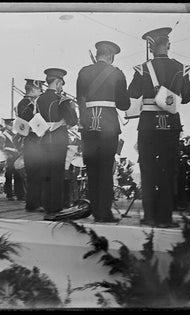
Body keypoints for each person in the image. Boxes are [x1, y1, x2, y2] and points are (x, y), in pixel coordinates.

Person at [128, 27, 190, 228]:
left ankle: (149, 216)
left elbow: (132, 92)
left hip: (147, 125)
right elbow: (188, 97)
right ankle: (165, 218)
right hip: (171, 125)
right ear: (168, 45)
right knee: (168, 170)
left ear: (150, 46)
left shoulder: (142, 68)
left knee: (147, 170)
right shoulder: (181, 67)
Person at [76, 41, 130, 223]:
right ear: (111, 56)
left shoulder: (83, 72)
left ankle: (95, 209)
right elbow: (124, 104)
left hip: (88, 124)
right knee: (106, 169)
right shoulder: (117, 73)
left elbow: (79, 100)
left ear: (98, 54)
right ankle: (104, 213)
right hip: (108, 124)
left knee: (91, 169)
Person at [37, 68, 78, 220]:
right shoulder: (63, 100)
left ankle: (47, 207)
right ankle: (55, 208)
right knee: (57, 174)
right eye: (61, 83)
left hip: (43, 141)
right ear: (58, 82)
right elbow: (74, 121)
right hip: (58, 141)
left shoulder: (39, 100)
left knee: (46, 174)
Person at [16, 79, 45, 212]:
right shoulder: (25, 104)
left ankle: (34, 202)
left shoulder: (28, 103)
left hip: (34, 141)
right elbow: (31, 123)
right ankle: (33, 203)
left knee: (37, 173)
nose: (41, 92)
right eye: (39, 89)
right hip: (32, 141)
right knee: (34, 173)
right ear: (32, 90)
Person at [0, 118, 25, 201]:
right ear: (6, 125)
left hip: (15, 156)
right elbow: (1, 148)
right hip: (8, 157)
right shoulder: (2, 135)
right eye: (9, 124)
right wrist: (7, 154)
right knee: (9, 176)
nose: (11, 126)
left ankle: (19, 194)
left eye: (11, 124)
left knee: (18, 176)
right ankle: (9, 194)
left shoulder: (14, 135)